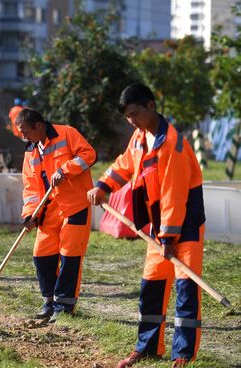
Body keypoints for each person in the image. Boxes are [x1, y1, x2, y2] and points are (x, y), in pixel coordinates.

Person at [87, 83, 205, 368]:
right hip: (158, 226)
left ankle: (183, 355)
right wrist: (104, 185)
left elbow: (173, 197)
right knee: (151, 285)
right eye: (128, 116)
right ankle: (148, 348)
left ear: (151, 106)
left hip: (184, 226)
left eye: (135, 114)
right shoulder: (140, 137)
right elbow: (125, 164)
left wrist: (169, 238)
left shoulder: (173, 145)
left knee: (186, 289)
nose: (132, 121)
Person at [16, 108, 96, 323]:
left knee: (70, 256)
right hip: (48, 211)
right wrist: (29, 214)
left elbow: (89, 155)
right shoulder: (30, 152)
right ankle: (49, 302)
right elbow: (30, 188)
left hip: (75, 205)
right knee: (41, 255)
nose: (23, 136)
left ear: (39, 126)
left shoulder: (67, 133)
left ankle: (64, 306)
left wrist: (65, 170)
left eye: (25, 132)